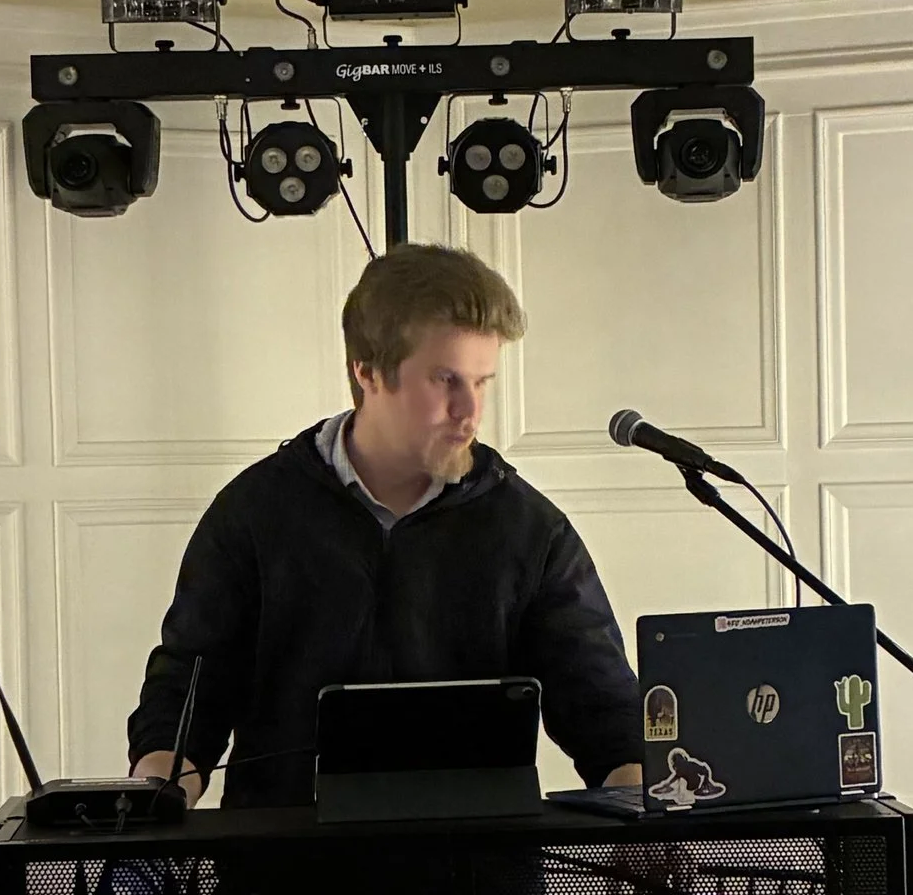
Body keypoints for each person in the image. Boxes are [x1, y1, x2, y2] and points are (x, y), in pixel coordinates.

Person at [128, 241, 644, 811]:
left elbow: (603, 707)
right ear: (368, 371)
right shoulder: (253, 512)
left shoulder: (531, 530)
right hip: (286, 859)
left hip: (477, 860)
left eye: (482, 382)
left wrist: (647, 803)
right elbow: (188, 693)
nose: (469, 411)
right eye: (445, 380)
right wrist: (157, 796)